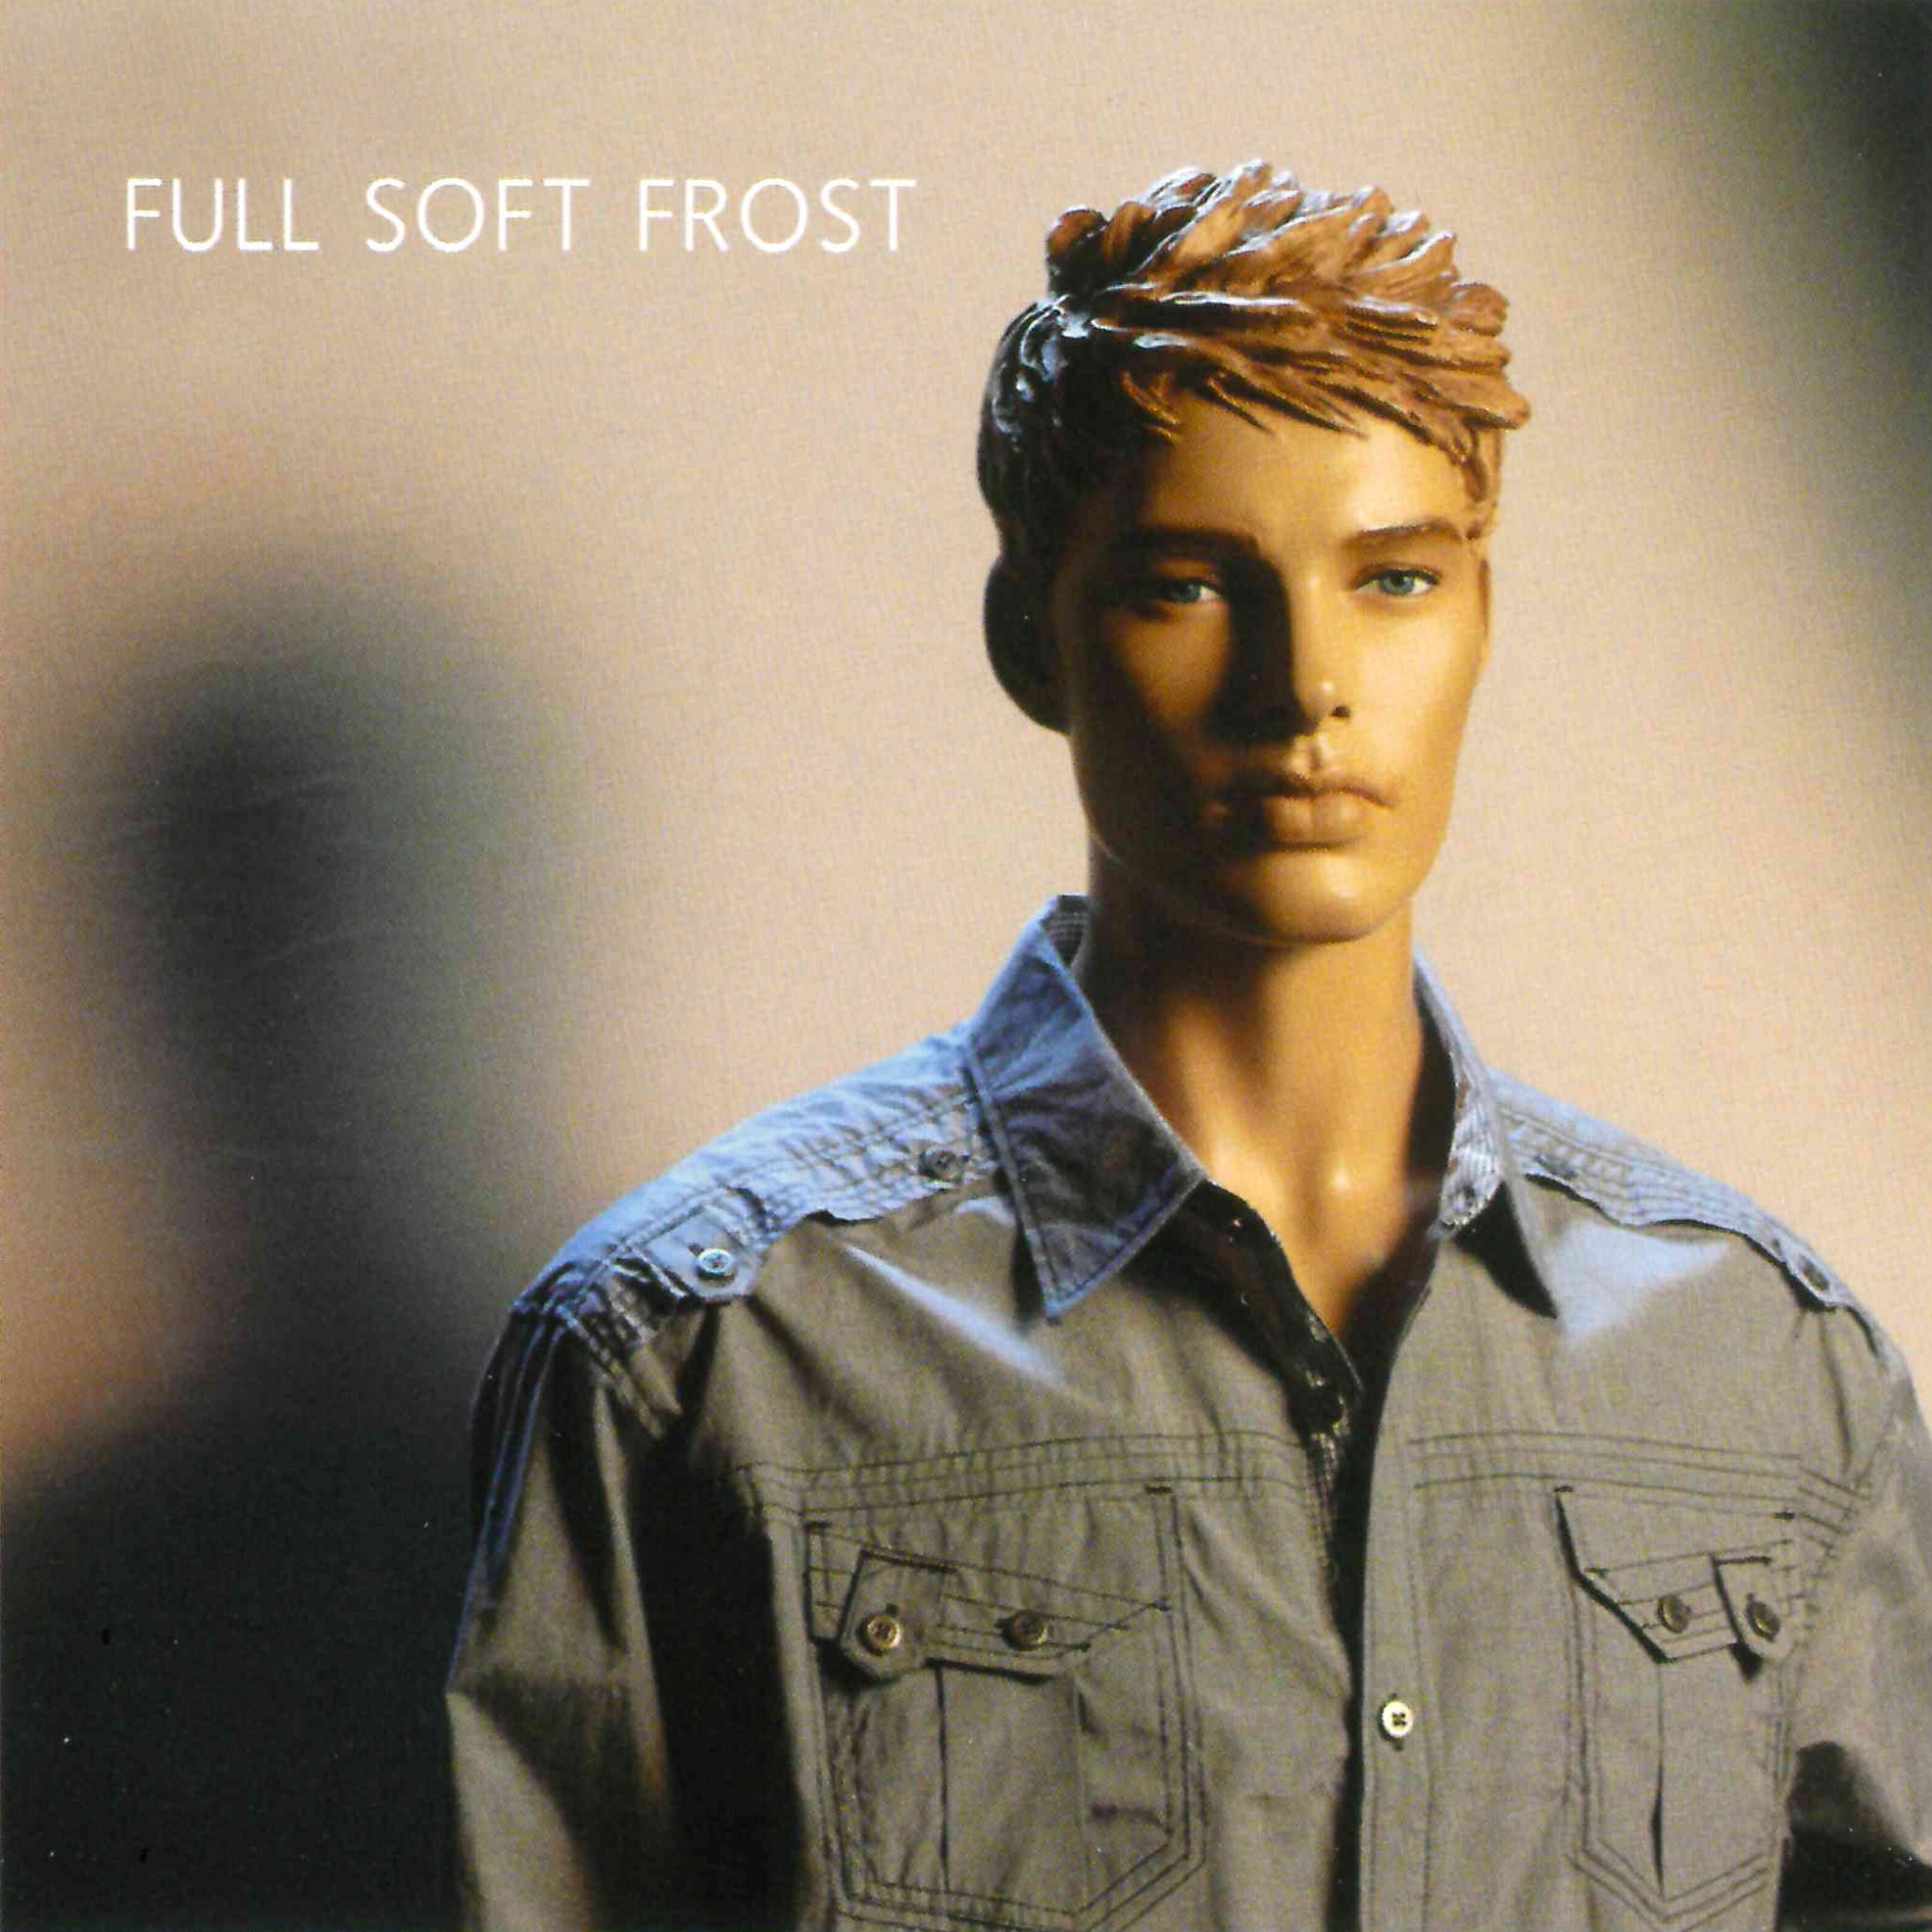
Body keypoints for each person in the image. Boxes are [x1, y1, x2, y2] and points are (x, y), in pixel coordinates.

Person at [445, 162, 1932, 1931]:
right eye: (1186, 585)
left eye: (1395, 578)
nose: (1305, 684)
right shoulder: (709, 1360)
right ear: (1031, 636)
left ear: (1482, 617)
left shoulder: (1768, 1370)